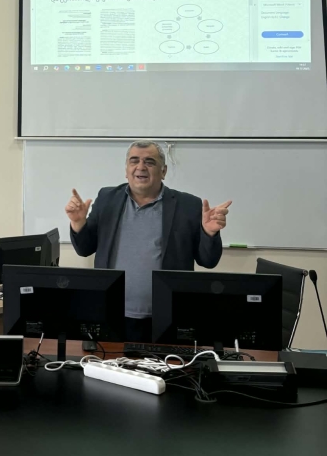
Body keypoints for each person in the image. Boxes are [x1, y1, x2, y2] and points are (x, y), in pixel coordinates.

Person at [66, 141, 231, 343]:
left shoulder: (188, 205)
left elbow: (208, 261)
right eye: (134, 161)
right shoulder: (107, 198)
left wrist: (209, 233)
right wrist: (78, 223)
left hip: (166, 317)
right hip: (111, 314)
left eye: (149, 162)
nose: (141, 167)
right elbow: (85, 249)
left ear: (164, 171)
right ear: (126, 170)